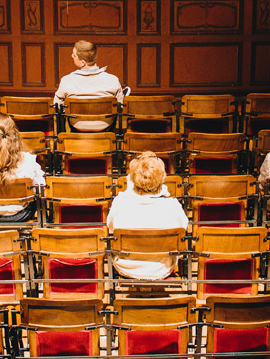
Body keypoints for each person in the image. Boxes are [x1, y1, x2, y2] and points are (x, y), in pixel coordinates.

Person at [106, 151, 189, 280]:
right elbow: (184, 228)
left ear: (132, 179)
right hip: (161, 268)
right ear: (162, 179)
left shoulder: (121, 202)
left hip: (126, 266)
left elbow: (110, 227)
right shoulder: (172, 205)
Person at [53, 39, 126, 132]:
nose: (72, 56)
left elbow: (57, 106)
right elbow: (120, 106)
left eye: (74, 55)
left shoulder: (67, 80)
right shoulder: (112, 80)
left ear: (83, 62)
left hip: (77, 125)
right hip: (105, 125)